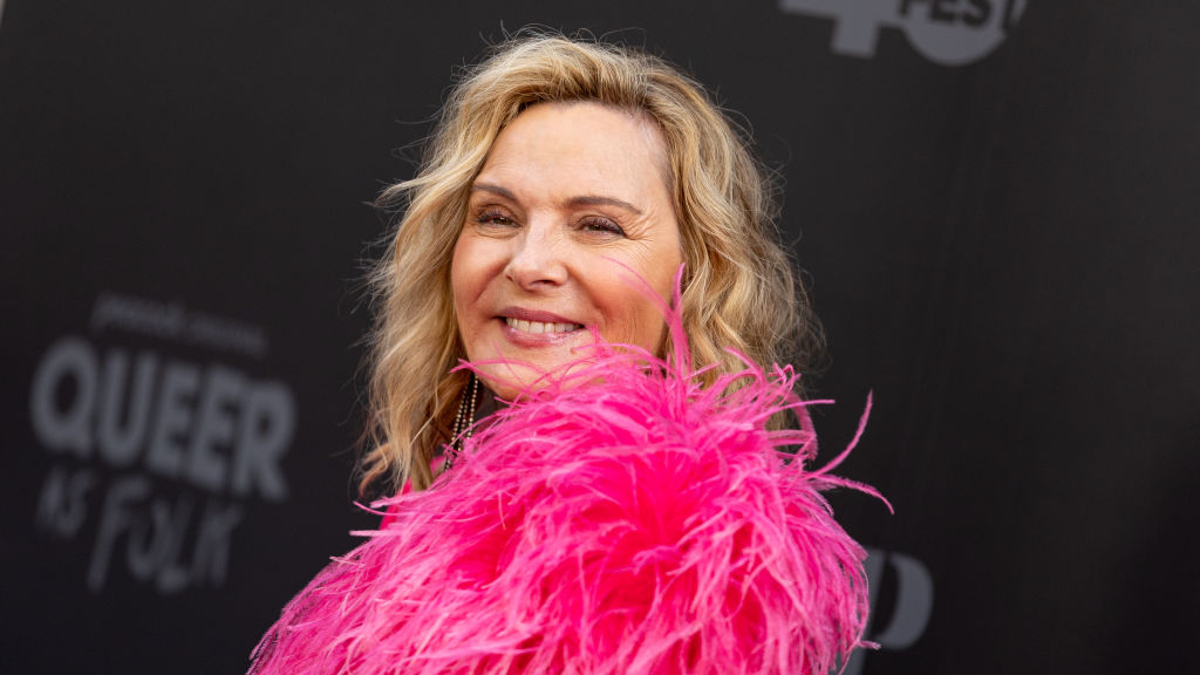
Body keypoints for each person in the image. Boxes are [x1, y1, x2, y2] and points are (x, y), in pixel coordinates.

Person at [251, 31, 876, 675]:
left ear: (697, 275)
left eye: (597, 225)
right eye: (496, 216)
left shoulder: (681, 561)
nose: (528, 263)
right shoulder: (442, 484)